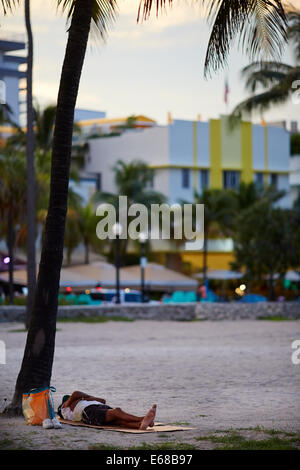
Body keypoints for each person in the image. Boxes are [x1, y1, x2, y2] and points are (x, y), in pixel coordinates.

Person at [57, 390, 157, 430]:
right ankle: (143, 418)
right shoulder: (65, 408)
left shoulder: (82, 401)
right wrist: (84, 398)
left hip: (97, 408)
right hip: (88, 412)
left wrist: (86, 398)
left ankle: (140, 425)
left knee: (119, 421)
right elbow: (75, 393)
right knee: (117, 411)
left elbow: (102, 400)